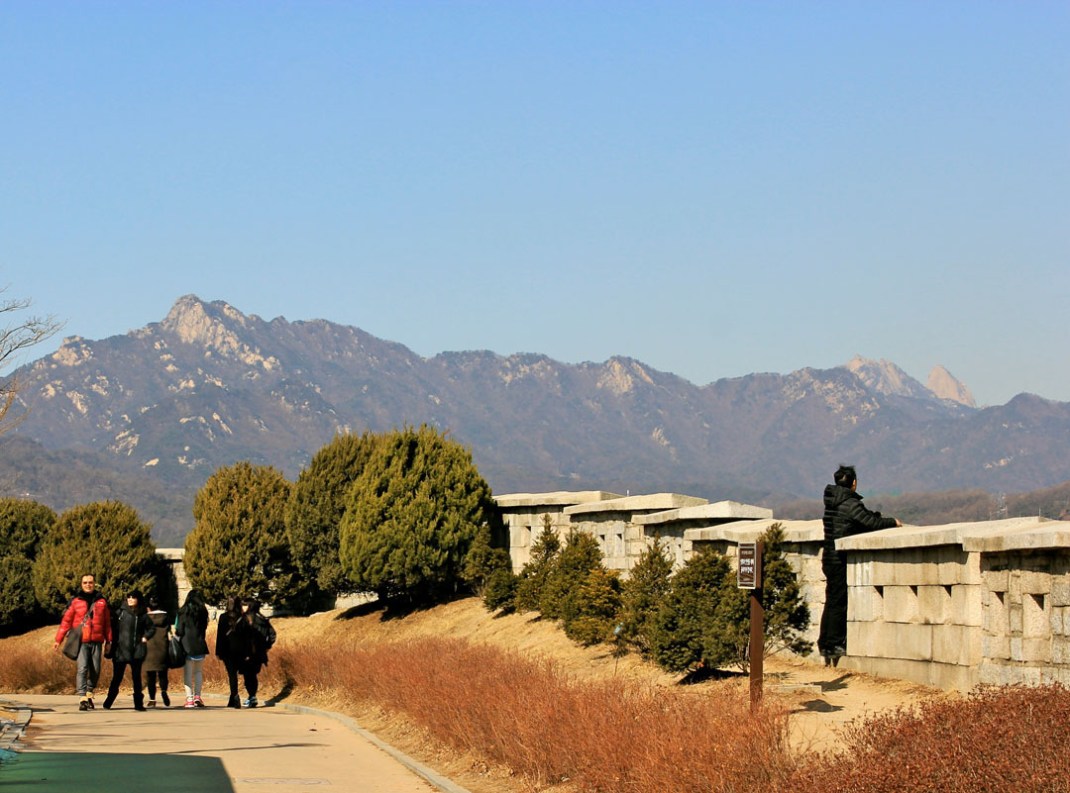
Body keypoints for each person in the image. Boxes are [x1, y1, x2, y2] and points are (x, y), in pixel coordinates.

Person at [818, 464, 901, 666]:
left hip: (829, 556)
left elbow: (861, 520)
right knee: (839, 602)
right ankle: (834, 645)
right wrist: (893, 522)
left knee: (831, 601)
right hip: (839, 559)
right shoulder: (849, 503)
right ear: (854, 483)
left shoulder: (833, 501)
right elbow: (870, 522)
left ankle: (826, 644)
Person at [53, 573, 113, 711]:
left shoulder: (102, 601)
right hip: (82, 640)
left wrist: (109, 640)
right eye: (85, 582)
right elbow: (66, 621)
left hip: (97, 641)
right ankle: (82, 698)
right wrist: (58, 639)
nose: (88, 584)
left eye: (90, 582)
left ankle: (89, 693)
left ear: (94, 583)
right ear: (81, 584)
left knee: (95, 670)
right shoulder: (76, 601)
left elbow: (107, 623)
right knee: (82, 668)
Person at [103, 590, 155, 711]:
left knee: (136, 678)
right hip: (120, 651)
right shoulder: (120, 613)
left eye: (133, 597)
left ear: (138, 599)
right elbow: (112, 629)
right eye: (129, 597)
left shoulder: (142, 614)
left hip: (137, 650)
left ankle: (138, 704)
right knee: (117, 678)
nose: (130, 599)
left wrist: (145, 637)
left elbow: (151, 628)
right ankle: (108, 702)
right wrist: (110, 643)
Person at [236, 597, 276, 708]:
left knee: (249, 675)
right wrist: (267, 646)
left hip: (247, 653)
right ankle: (252, 696)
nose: (243, 607)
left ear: (250, 606)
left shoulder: (244, 619)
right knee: (252, 675)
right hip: (259, 653)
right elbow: (272, 634)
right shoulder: (263, 618)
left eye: (245, 605)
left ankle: (252, 696)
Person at [174, 589, 210, 708]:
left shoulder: (183, 611)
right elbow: (204, 628)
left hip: (186, 645)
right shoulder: (203, 611)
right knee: (198, 672)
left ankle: (189, 699)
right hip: (200, 644)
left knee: (188, 674)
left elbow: (179, 630)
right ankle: (197, 697)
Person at [215, 595, 250, 709]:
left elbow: (220, 636)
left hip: (227, 650)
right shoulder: (243, 617)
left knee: (232, 674)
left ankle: (235, 696)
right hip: (240, 650)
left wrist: (218, 651)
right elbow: (247, 636)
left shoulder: (223, 617)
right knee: (237, 673)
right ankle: (233, 697)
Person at [143, 596, 172, 707]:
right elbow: (169, 631)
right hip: (162, 647)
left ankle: (152, 699)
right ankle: (164, 691)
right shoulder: (165, 616)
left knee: (150, 675)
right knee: (163, 673)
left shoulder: (145, 618)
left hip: (149, 648)